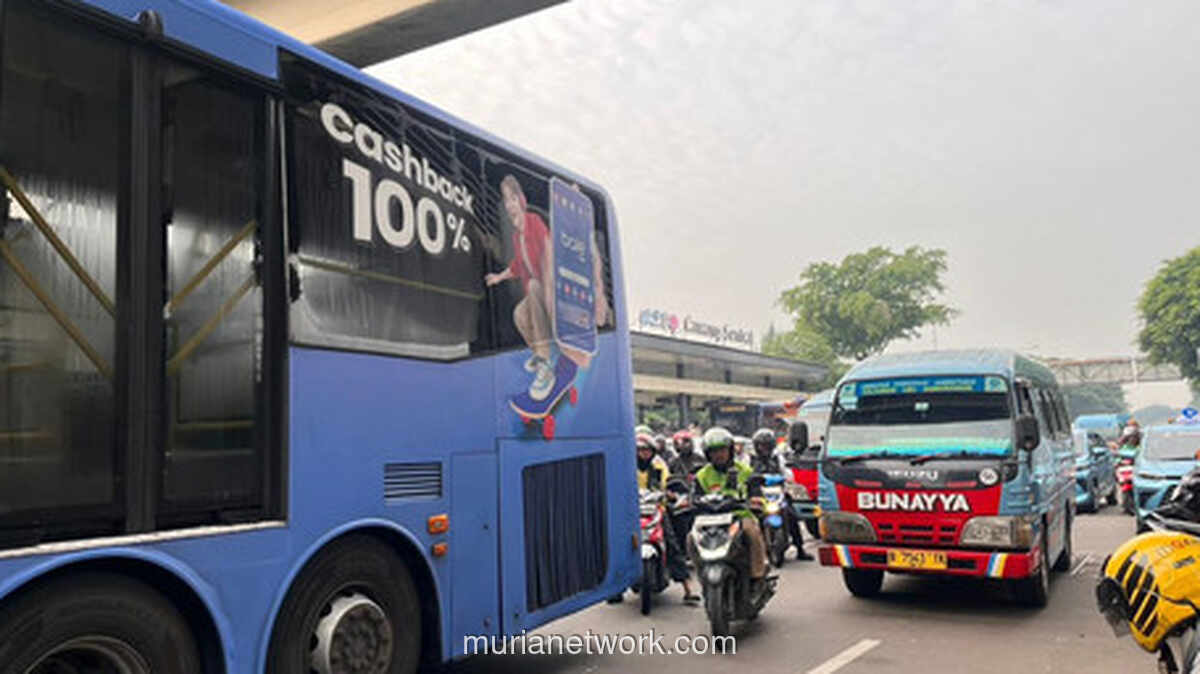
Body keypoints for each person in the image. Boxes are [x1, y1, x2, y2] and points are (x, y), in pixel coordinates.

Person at [485, 175, 610, 401]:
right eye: (506, 201)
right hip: (540, 292)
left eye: (513, 199)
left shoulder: (533, 222)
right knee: (519, 314)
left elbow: (551, 254)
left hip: (553, 289)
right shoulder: (516, 237)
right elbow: (517, 266)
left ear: (521, 200)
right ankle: (542, 354)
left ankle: (544, 361)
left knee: (533, 286)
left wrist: (556, 301)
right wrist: (498, 277)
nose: (510, 205)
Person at [692, 427, 769, 581]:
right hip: (710, 520)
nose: (719, 455)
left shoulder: (745, 471)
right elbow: (695, 496)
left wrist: (756, 500)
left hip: (739, 516)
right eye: (714, 451)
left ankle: (758, 574)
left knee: (752, 532)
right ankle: (700, 572)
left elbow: (756, 492)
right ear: (708, 454)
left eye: (722, 450)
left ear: (730, 450)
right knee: (690, 538)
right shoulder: (701, 475)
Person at [635, 434, 698, 604]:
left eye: (646, 450)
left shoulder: (659, 465)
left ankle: (687, 589)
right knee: (619, 544)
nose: (643, 454)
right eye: (640, 450)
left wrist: (670, 493)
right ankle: (614, 590)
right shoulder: (626, 464)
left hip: (657, 510)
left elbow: (668, 482)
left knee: (672, 543)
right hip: (632, 513)